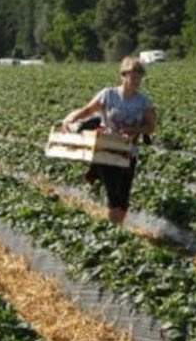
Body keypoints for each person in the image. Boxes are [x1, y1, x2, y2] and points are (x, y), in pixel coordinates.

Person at [61, 56, 156, 224]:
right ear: (123, 76)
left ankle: (118, 227)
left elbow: (150, 127)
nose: (136, 81)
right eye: (133, 77)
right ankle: (113, 230)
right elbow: (88, 110)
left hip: (128, 151)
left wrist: (133, 130)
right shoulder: (109, 94)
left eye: (139, 77)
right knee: (113, 193)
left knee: (124, 194)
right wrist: (71, 119)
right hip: (106, 147)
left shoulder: (143, 102)